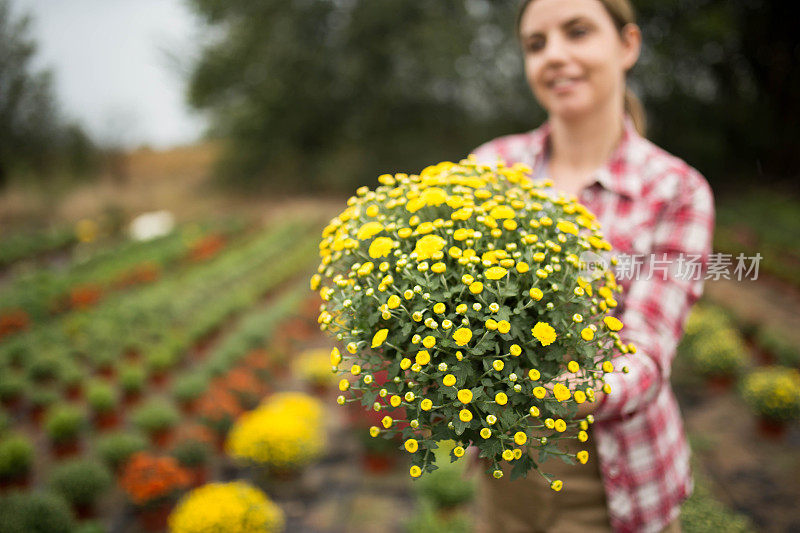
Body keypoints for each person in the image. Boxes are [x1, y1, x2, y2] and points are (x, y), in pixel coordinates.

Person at [469, 0, 715, 532]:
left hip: (613, 480)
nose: (555, 55)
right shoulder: (491, 168)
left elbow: (647, 351)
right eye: (536, 44)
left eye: (577, 32)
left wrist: (567, 390)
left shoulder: (675, 189)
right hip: (504, 466)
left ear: (628, 44)